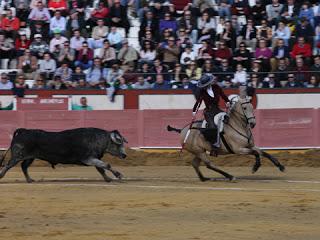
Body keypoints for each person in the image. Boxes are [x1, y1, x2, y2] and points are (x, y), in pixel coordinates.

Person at [192, 75, 230, 155]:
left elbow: (222, 95)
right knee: (212, 127)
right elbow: (198, 102)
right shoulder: (202, 92)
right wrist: (194, 110)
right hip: (209, 112)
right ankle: (213, 147)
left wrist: (227, 101)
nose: (205, 87)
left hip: (217, 109)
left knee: (228, 120)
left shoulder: (216, 87)